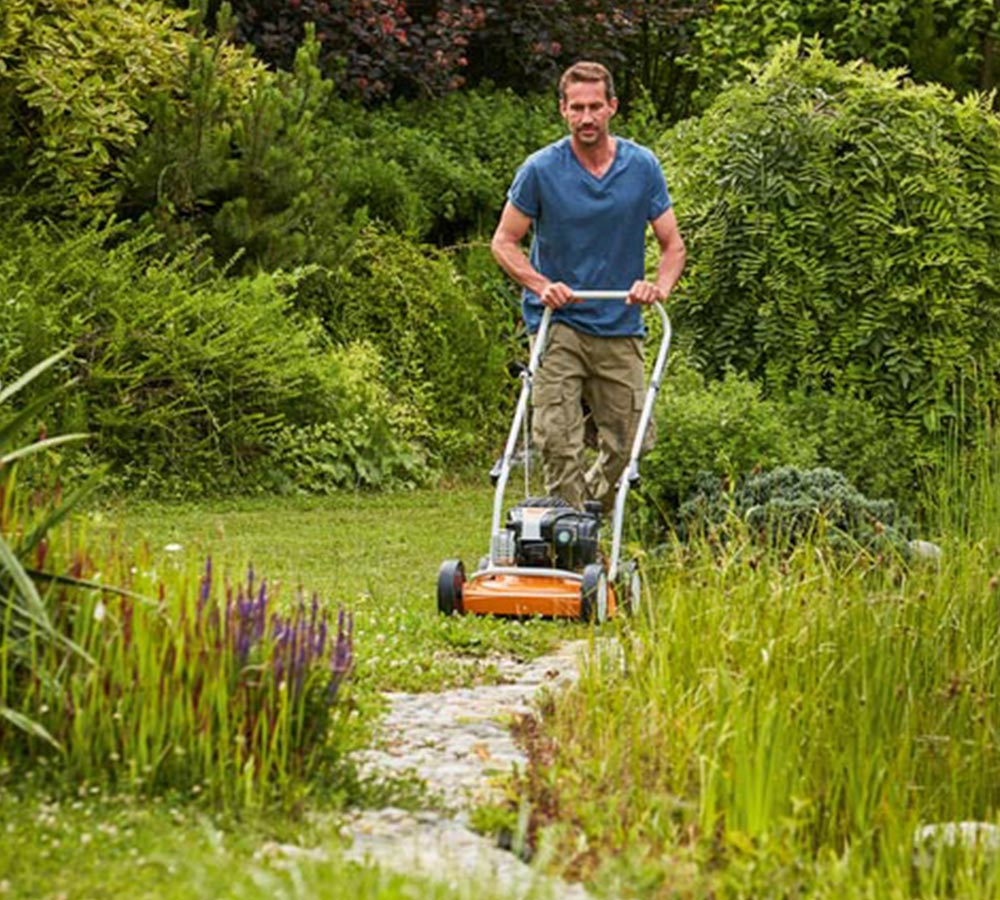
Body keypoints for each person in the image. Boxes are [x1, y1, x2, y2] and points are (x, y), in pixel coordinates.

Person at [490, 60, 686, 512]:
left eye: (595, 106)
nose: (586, 117)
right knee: (557, 438)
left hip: (619, 321)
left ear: (612, 107)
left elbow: (672, 245)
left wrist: (657, 287)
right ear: (563, 111)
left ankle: (589, 510)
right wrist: (541, 284)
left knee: (631, 442)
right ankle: (569, 541)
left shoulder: (642, 167)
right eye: (577, 108)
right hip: (558, 323)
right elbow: (504, 242)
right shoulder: (540, 170)